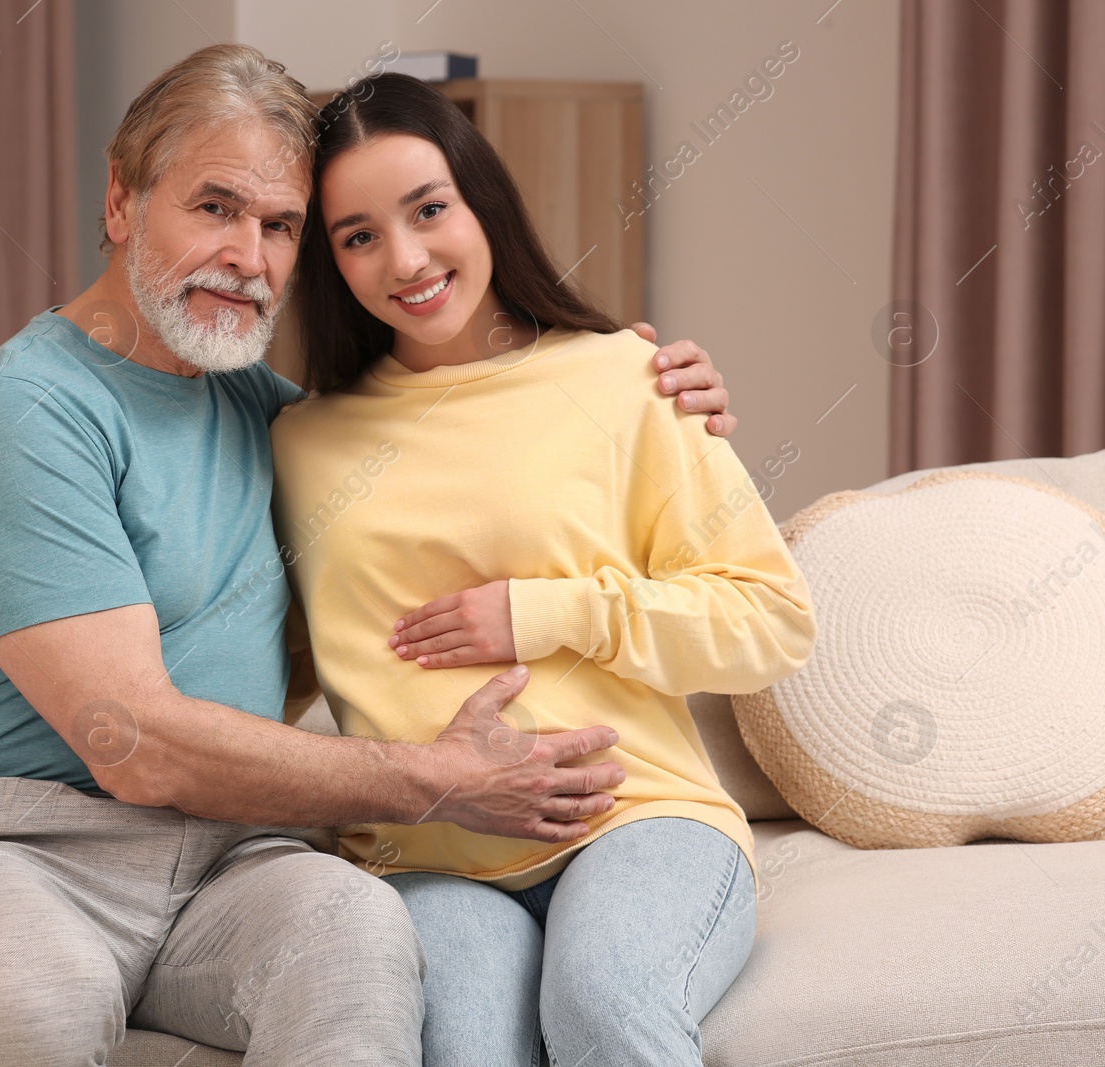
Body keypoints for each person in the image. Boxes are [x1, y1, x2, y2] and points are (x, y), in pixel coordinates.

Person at [0, 45, 739, 1067]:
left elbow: (443, 451)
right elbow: (132, 738)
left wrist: (618, 378)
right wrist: (432, 779)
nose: (250, 255)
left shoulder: (271, 418)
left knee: (359, 942)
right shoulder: (24, 410)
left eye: (279, 226)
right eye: (215, 207)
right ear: (120, 201)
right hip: (13, 847)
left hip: (234, 852)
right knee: (42, 994)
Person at [269, 72, 817, 1067]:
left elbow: (772, 619)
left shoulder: (623, 377)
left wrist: (549, 611)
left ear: (481, 200)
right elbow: (272, 661)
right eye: (356, 235)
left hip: (637, 817)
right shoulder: (299, 443)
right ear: (327, 259)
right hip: (427, 857)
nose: (406, 258)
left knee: (601, 1001)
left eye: (428, 209)